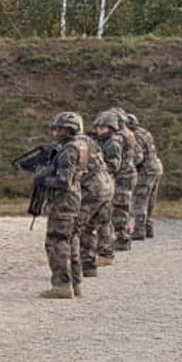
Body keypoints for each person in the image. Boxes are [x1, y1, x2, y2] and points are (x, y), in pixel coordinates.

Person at [38, 111, 86, 299]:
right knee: (71, 241)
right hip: (74, 199)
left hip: (64, 201)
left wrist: (43, 180)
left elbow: (63, 181)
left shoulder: (68, 150)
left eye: (61, 129)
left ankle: (61, 285)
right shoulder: (81, 146)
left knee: (56, 242)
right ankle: (75, 283)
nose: (57, 132)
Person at [71, 114, 114, 282]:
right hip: (106, 187)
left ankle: (70, 273)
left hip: (92, 189)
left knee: (73, 230)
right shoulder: (90, 142)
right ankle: (89, 266)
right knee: (90, 227)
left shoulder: (74, 144)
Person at [94, 108, 137, 251]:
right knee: (124, 206)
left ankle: (121, 238)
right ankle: (122, 237)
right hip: (128, 173)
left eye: (102, 127)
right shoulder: (128, 134)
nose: (100, 131)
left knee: (119, 208)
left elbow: (113, 165)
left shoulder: (116, 140)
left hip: (121, 176)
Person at [126, 112, 164, 240]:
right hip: (156, 167)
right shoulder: (145, 132)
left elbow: (138, 157)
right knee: (151, 199)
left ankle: (139, 230)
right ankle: (148, 227)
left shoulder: (134, 136)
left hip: (145, 170)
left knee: (139, 199)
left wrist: (129, 166)